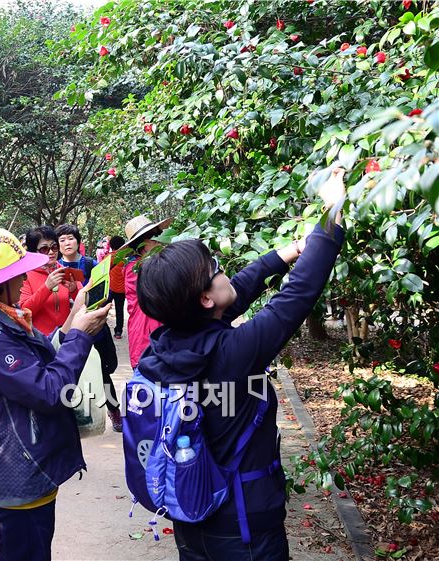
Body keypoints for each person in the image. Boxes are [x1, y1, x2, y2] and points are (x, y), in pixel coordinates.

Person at [134, 170, 347, 560]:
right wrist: (333, 212)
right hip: (244, 525)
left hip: (193, 512)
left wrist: (286, 253)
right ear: (203, 299)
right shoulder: (234, 353)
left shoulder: (163, 347)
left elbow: (232, 294)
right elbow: (298, 294)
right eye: (216, 269)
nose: (224, 272)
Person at [0, 228, 110, 561]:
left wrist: (76, 316)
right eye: (19, 272)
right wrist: (81, 339)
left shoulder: (4, 317)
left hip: (30, 464)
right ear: (2, 281)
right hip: (19, 468)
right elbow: (48, 390)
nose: (25, 277)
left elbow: (44, 357)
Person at [56, 224, 121, 432]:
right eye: (62, 240)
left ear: (78, 241)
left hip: (95, 326)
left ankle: (114, 408)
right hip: (72, 329)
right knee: (74, 372)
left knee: (105, 369)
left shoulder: (92, 264)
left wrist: (83, 294)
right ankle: (82, 417)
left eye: (70, 239)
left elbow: (106, 292)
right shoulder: (55, 270)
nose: (67, 243)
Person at [120, 215, 172, 369]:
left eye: (158, 234)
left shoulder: (159, 262)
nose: (159, 239)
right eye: (153, 236)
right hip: (145, 333)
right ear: (141, 243)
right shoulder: (133, 268)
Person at [19, 226, 79, 336]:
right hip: (41, 341)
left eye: (54, 247)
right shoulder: (24, 276)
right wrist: (47, 287)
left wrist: (74, 290)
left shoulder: (64, 271)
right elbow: (23, 311)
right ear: (33, 252)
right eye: (44, 249)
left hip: (65, 336)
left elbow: (83, 302)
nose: (51, 252)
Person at [108, 235, 126, 340]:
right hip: (121, 290)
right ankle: (118, 331)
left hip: (109, 289)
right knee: (119, 310)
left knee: (103, 308)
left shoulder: (108, 257)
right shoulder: (125, 258)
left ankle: (99, 328)